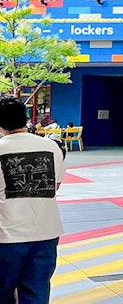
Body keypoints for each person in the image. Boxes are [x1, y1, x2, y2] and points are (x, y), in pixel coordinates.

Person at [0, 97, 66, 304]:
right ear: (25, 118)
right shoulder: (52, 146)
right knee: (37, 290)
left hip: (7, 236)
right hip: (46, 234)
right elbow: (55, 185)